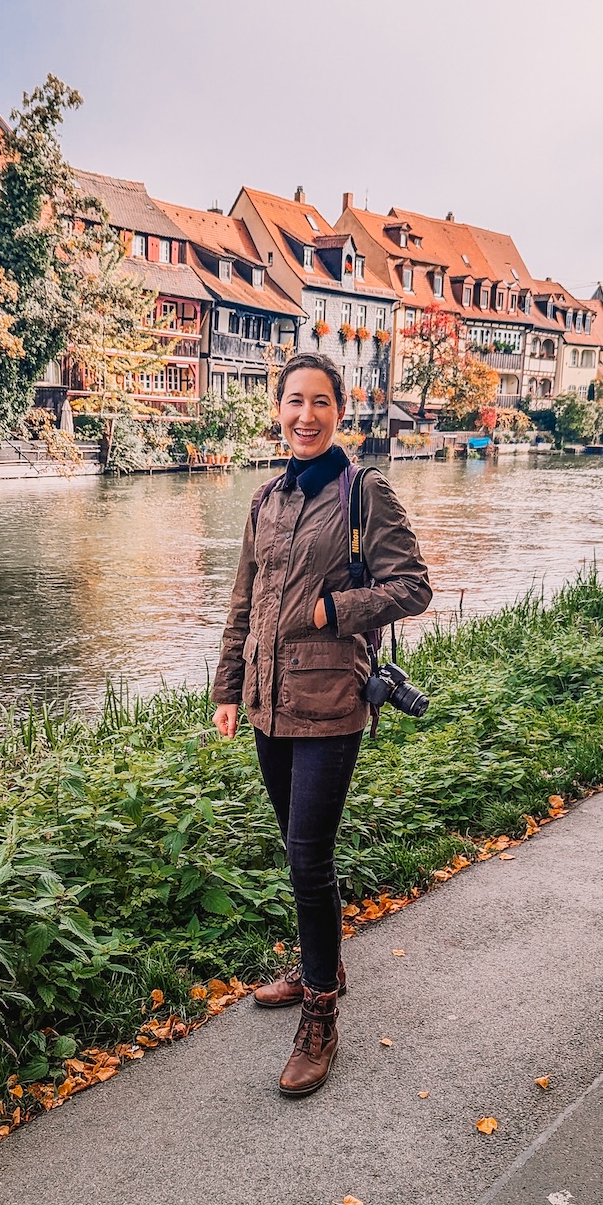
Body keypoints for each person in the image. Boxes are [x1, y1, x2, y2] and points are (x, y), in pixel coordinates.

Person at [211, 352, 432, 1097]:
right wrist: (228, 687)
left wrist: (337, 610)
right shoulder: (266, 498)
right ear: (278, 409)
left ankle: (320, 1014)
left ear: (343, 411)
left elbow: (413, 586)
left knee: (308, 856)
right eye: (293, 402)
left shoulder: (363, 491)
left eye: (320, 403)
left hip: (333, 703)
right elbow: (244, 602)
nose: (305, 415)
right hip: (271, 704)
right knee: (296, 848)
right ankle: (321, 960)